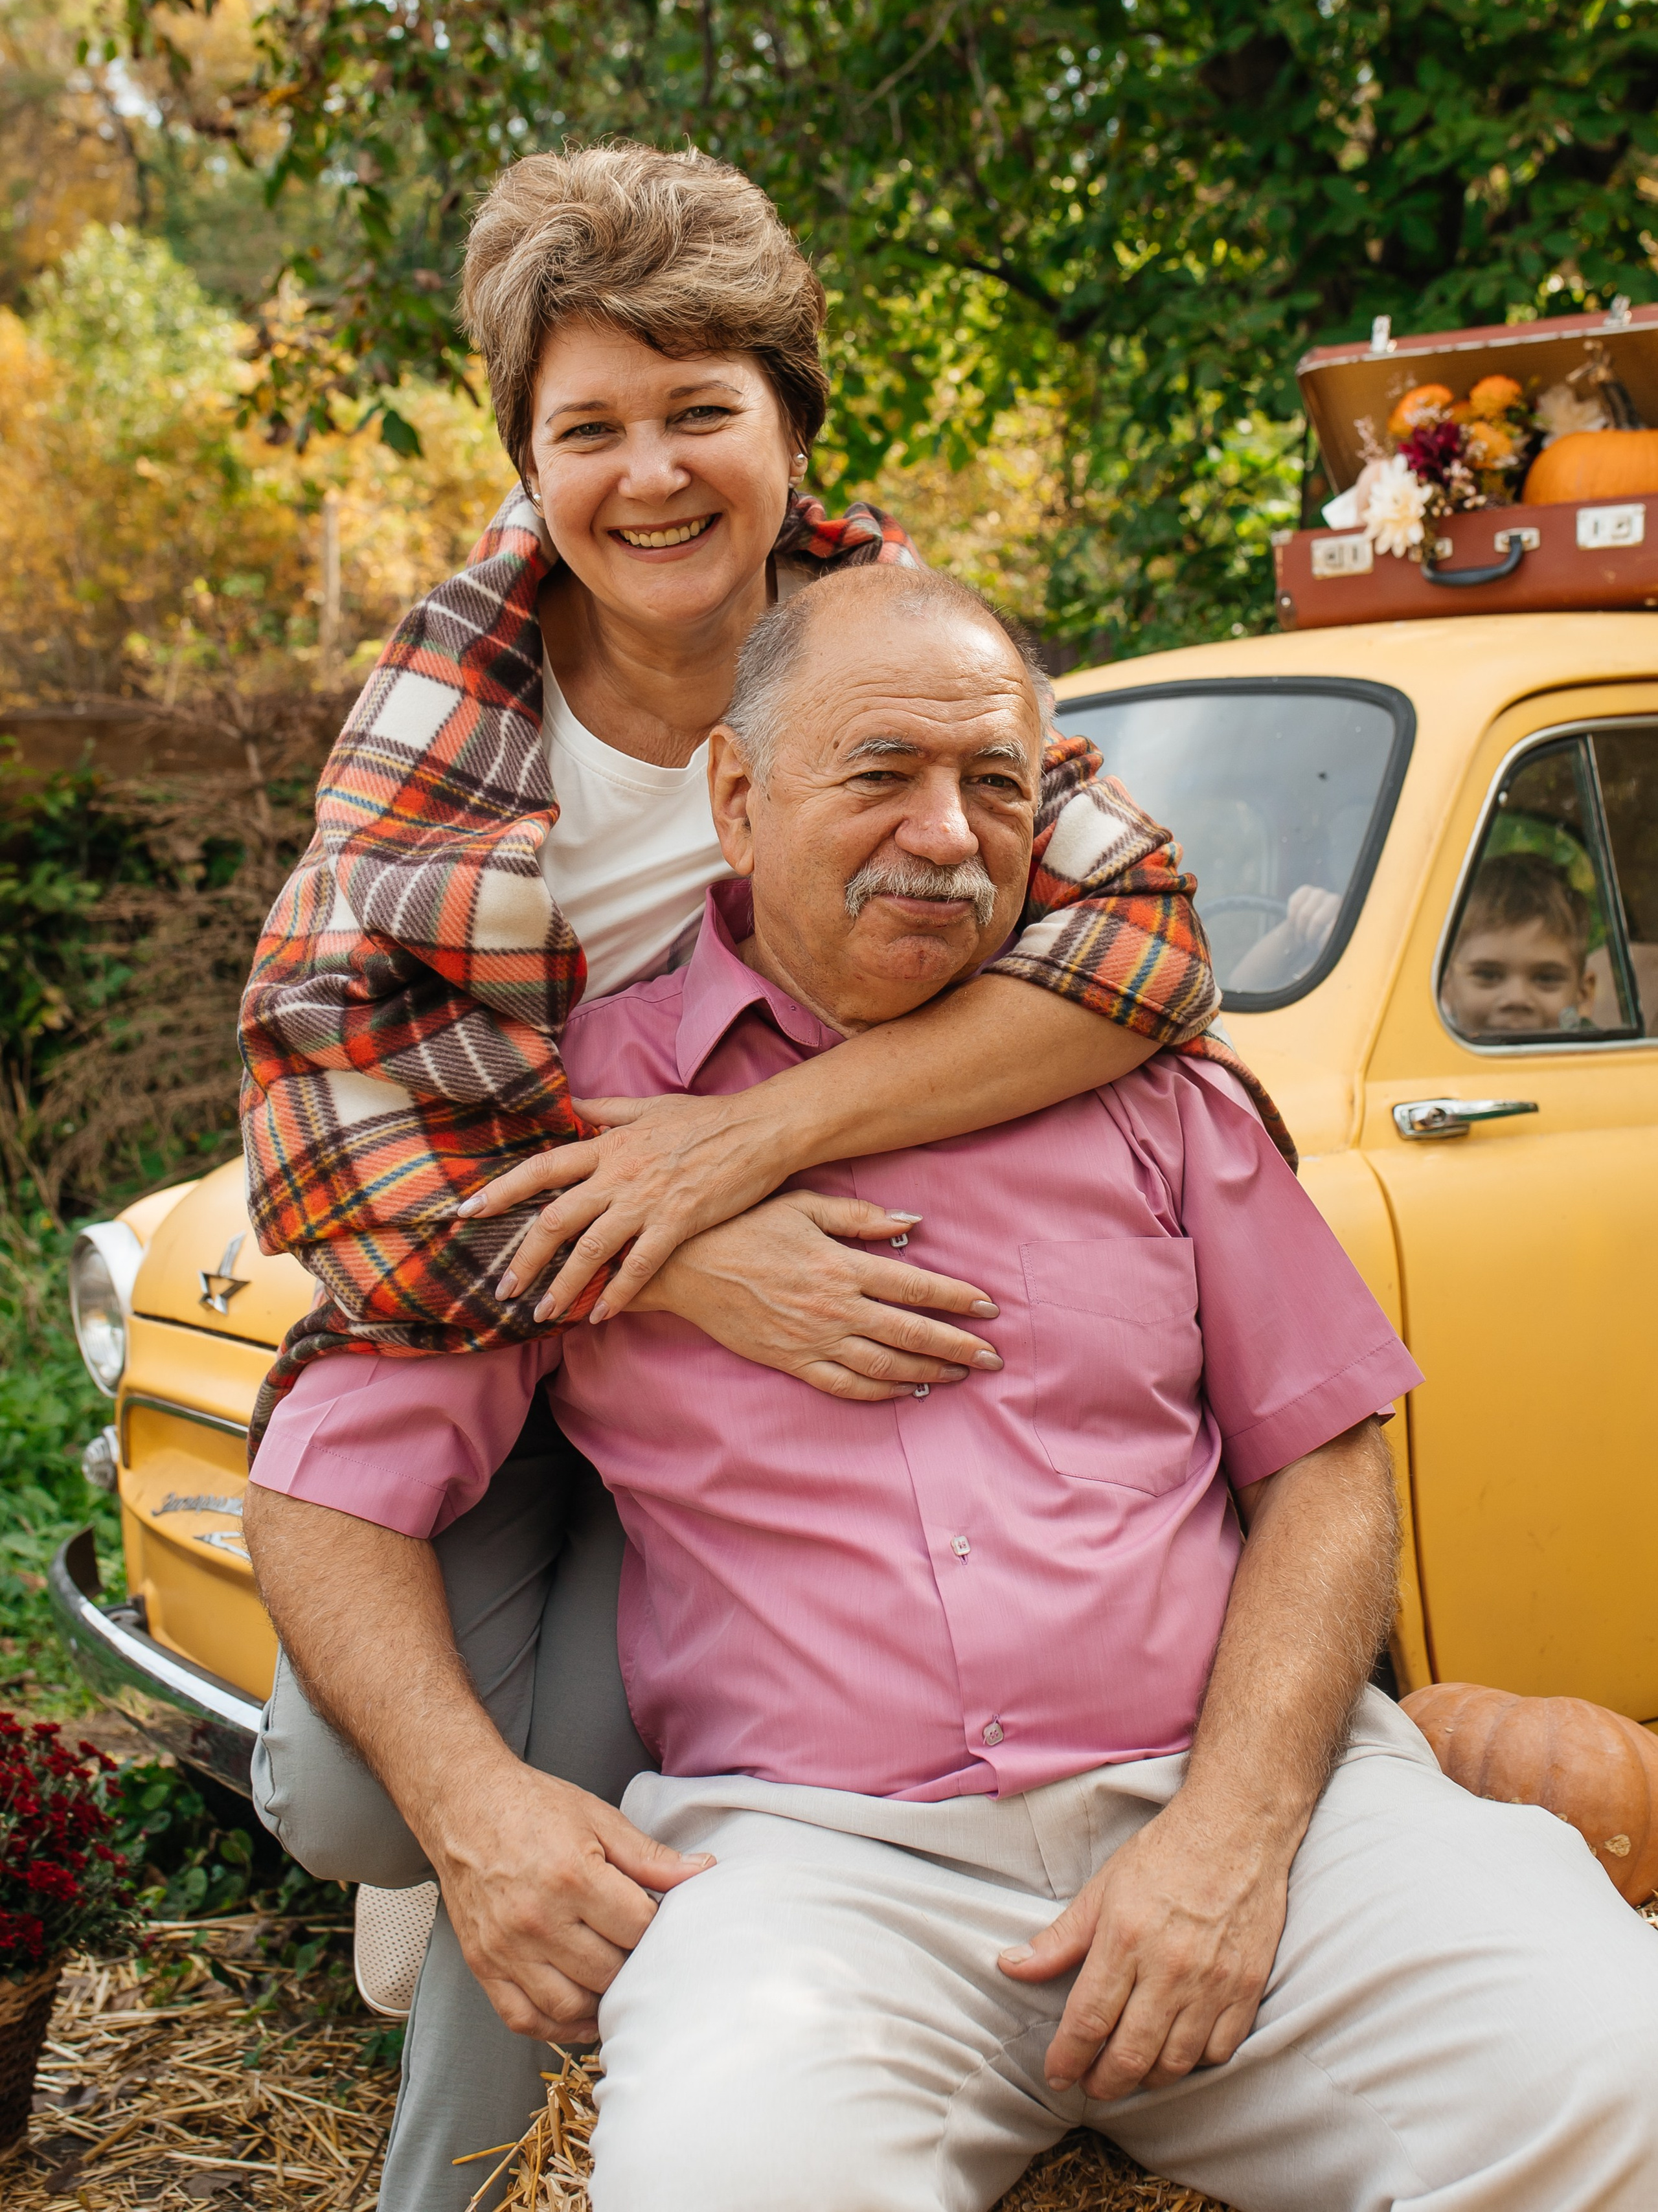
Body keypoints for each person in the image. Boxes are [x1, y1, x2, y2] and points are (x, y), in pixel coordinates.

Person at [248, 565, 1658, 2212]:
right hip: (819, 1868)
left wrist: (1229, 1831)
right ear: (733, 796)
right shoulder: (581, 1123)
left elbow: (1330, 1468)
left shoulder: (1146, 1080)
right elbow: (322, 1491)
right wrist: (473, 1804)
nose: (946, 832)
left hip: (1265, 1810)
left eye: (996, 783)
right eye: (880, 772)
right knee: (725, 2180)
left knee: (1613, 2070)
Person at [238, 142, 1258, 2206]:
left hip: (774, 1376)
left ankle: (449, 2186)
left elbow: (1144, 953)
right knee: (354, 1789)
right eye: (585, 426)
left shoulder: (897, 667)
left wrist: (752, 1134)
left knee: (576, 1794)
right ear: (523, 457)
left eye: (701, 409)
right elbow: (323, 1127)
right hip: (509, 1307)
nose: (650, 474)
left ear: (793, 425)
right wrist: (669, 1245)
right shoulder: (452, 704)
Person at [1439, 850, 1596, 1037]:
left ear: (1584, 994)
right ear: (1445, 986)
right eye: (1487, 975)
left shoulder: (1602, 1063)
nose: (1517, 999)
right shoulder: (1418, 1061)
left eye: (1547, 979)